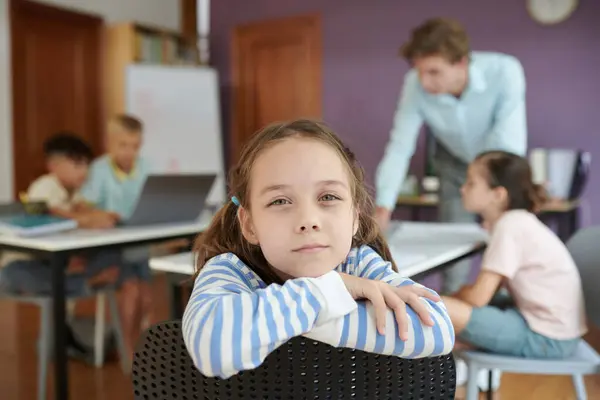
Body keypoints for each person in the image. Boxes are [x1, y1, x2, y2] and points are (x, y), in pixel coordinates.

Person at [182, 119, 454, 379]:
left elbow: (438, 329)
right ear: (250, 224)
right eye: (280, 201)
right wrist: (332, 291)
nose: (308, 221)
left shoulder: (358, 264)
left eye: (328, 197)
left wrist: (283, 324)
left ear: (355, 218)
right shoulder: (230, 271)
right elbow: (213, 345)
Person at [374, 17, 527, 295]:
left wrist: (493, 204)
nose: (424, 81)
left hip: (499, 167)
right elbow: (400, 146)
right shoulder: (415, 84)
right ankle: (452, 323)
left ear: (461, 63)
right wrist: (383, 206)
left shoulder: (505, 71)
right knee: (454, 255)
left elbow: (507, 146)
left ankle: (505, 308)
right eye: (419, 71)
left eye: (433, 72)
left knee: (505, 241)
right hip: (454, 164)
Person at [442, 150, 587, 388]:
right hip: (554, 327)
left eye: (471, 183)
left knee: (439, 305)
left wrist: (455, 299)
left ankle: (438, 368)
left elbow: (478, 298)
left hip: (549, 338)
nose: (463, 188)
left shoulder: (509, 227)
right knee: (451, 306)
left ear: (498, 195)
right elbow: (488, 292)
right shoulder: (518, 221)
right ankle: (454, 353)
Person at [0, 132, 142, 361]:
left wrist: (95, 216)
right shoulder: (44, 188)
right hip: (24, 266)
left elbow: (84, 215)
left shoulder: (75, 193)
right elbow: (60, 220)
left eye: (87, 165)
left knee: (112, 256)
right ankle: (86, 283)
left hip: (58, 266)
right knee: (15, 273)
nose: (84, 171)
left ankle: (87, 283)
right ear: (53, 165)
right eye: (77, 165)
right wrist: (88, 217)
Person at [81, 114, 154, 354]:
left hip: (136, 241)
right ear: (109, 143)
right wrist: (102, 214)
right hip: (110, 245)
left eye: (135, 146)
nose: (129, 152)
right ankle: (129, 347)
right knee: (132, 290)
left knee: (146, 297)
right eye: (123, 145)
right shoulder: (99, 169)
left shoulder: (145, 167)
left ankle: (138, 344)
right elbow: (83, 206)